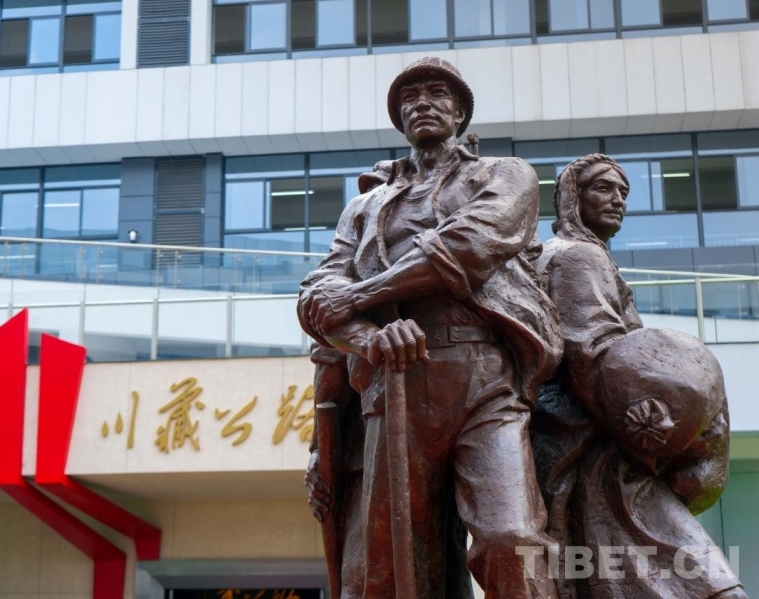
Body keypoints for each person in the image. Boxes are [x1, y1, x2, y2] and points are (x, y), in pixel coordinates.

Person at [298, 56, 563, 598]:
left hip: (483, 378)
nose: (421, 103)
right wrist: (369, 338)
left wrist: (362, 295)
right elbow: (316, 294)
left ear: (460, 111)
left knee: (510, 537)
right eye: (409, 97)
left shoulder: (505, 175)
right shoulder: (364, 207)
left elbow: (467, 246)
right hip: (393, 384)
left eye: (436, 93)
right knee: (392, 567)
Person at [531, 153, 746, 598]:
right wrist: (654, 430)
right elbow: (590, 353)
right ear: (572, 197)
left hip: (596, 446)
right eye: (603, 188)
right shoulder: (577, 257)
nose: (618, 200)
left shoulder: (583, 255)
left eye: (623, 192)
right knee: (703, 582)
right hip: (602, 452)